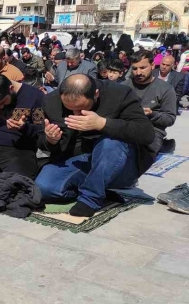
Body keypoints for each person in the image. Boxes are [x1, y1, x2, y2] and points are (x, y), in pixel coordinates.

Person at [36, 75, 156, 217]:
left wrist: (102, 124)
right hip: (80, 160)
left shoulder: (119, 94)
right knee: (43, 188)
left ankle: (90, 198)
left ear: (96, 94)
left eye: (81, 109)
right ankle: (98, 187)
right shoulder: (51, 101)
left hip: (118, 161)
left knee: (110, 142)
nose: (76, 114)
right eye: (69, 109)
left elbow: (147, 134)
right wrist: (51, 139)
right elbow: (40, 138)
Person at [123, 50, 176, 154]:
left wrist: (152, 114)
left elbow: (169, 118)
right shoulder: (124, 86)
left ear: (152, 65)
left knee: (140, 155)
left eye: (143, 68)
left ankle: (162, 145)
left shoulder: (166, 89)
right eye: (134, 68)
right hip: (126, 126)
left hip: (152, 130)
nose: (138, 72)